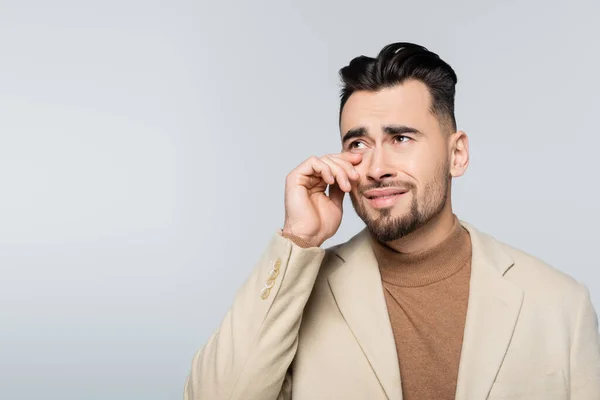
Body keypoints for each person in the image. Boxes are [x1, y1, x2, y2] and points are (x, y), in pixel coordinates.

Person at [184, 43, 600, 400]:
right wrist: (299, 238)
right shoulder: (302, 290)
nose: (376, 166)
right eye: (359, 143)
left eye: (401, 138)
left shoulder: (561, 304)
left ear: (457, 155)